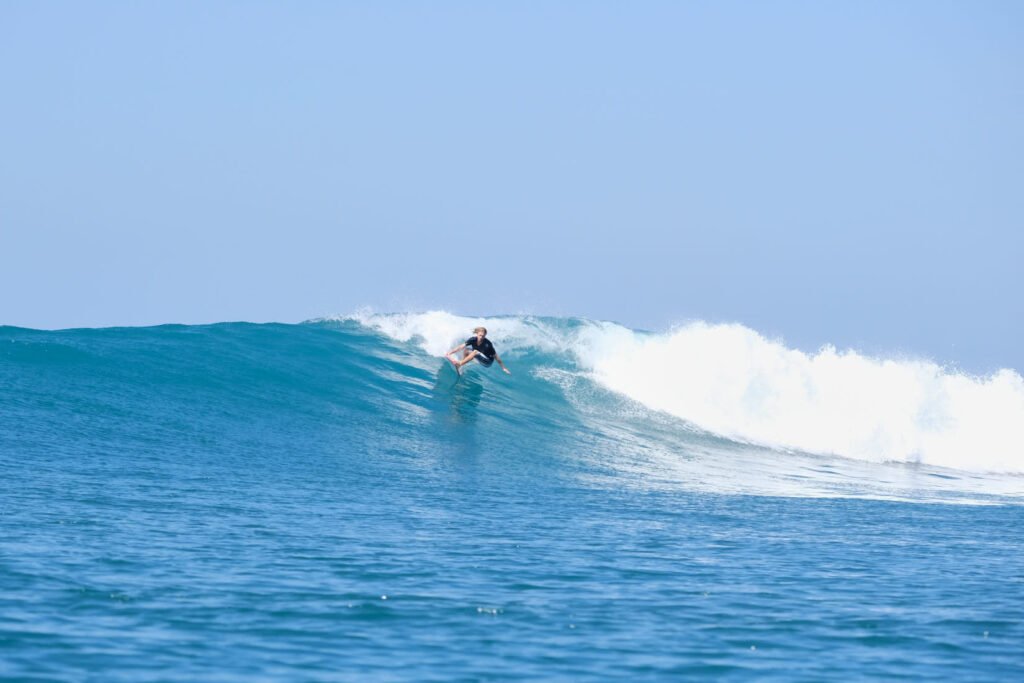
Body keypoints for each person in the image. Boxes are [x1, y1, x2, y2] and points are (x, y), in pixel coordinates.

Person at [446, 326, 511, 375]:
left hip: (488, 361)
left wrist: (503, 368)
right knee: (466, 350)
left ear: (485, 335)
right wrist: (450, 352)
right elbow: (461, 346)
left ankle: (460, 364)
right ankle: (461, 365)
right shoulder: (472, 339)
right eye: (480, 335)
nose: (481, 337)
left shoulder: (488, 344)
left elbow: (497, 357)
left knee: (475, 351)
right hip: (480, 356)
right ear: (477, 334)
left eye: (483, 336)